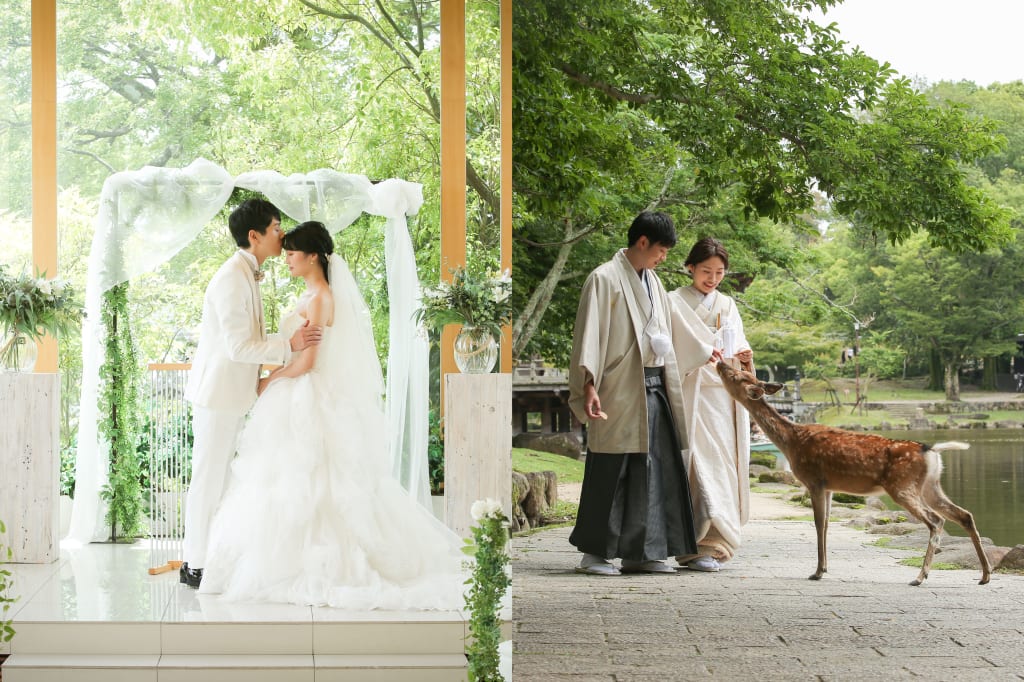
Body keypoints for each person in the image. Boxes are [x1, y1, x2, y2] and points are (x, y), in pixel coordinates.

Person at [198, 221, 466, 610]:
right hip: (297, 397)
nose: (286, 259)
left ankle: (323, 564)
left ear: (312, 257)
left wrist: (269, 381)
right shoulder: (310, 293)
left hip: (310, 396)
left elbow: (307, 362)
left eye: (292, 253)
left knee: (320, 482)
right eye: (285, 251)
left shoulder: (321, 297)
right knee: (288, 483)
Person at [180, 198, 322, 589]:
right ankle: (194, 564)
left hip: (233, 394)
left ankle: (208, 557)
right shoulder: (230, 277)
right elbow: (239, 348)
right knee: (208, 479)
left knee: (222, 479)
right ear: (254, 235)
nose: (282, 235)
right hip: (217, 395)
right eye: (276, 228)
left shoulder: (249, 272)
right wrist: (288, 344)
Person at [567, 211, 718, 576]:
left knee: (654, 470)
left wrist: (707, 347)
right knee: (612, 468)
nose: (663, 257)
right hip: (617, 386)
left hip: (655, 384)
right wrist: (588, 384)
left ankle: (643, 551)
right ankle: (595, 553)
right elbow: (588, 335)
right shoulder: (604, 279)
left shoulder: (653, 283)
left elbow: (676, 329)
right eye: (662, 250)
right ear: (643, 242)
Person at [668, 237, 754, 572]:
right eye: (706, 270)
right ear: (690, 266)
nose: (713, 278)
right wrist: (699, 353)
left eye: (719, 272)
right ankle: (690, 544)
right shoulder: (673, 301)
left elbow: (738, 344)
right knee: (694, 464)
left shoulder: (727, 304)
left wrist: (745, 358)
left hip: (721, 395)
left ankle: (714, 544)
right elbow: (667, 348)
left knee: (722, 466)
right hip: (689, 390)